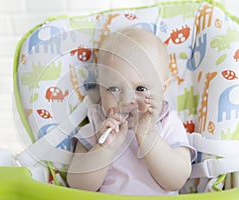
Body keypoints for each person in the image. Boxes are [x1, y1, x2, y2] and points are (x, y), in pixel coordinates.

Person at [67, 27, 196, 196]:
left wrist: (147, 134)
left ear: (163, 89)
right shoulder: (97, 126)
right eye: (114, 88)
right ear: (100, 87)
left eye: (140, 88)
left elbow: (176, 180)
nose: (127, 100)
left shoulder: (168, 123)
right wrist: (104, 149)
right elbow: (77, 185)